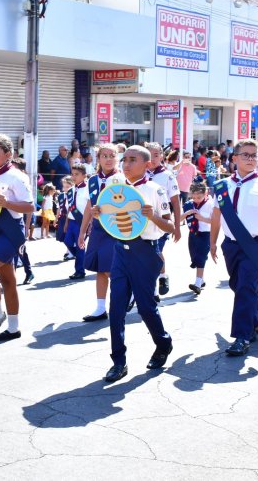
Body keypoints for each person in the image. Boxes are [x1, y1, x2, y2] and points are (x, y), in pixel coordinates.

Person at [92, 145, 175, 383]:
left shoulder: (155, 190)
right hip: (120, 250)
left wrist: (152, 216)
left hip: (146, 252)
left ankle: (163, 343)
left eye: (133, 160)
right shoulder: (114, 186)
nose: (126, 164)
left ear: (147, 165)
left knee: (146, 306)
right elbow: (109, 216)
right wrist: (99, 212)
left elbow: (169, 227)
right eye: (124, 159)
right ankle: (119, 361)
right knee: (116, 308)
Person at [209, 139, 258, 356]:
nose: (250, 158)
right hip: (231, 246)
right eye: (245, 154)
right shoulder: (222, 185)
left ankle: (241, 337)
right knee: (239, 286)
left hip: (255, 245)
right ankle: (253, 322)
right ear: (234, 158)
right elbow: (217, 215)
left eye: (254, 155)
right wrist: (213, 243)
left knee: (245, 288)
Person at [0, 134, 34, 342]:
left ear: (8, 154)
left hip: (10, 231)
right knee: (8, 281)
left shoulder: (16, 176)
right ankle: (13, 328)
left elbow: (30, 206)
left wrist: (6, 204)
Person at [77, 143, 127, 322]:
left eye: (112, 155)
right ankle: (100, 308)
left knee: (110, 269)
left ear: (117, 158)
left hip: (115, 228)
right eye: (104, 156)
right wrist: (82, 232)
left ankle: (126, 296)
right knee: (99, 269)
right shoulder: (92, 180)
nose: (108, 159)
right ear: (98, 159)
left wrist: (109, 210)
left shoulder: (122, 179)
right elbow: (90, 207)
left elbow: (127, 206)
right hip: (98, 229)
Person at [146, 143, 181, 297]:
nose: (152, 159)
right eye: (149, 155)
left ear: (162, 156)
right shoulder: (141, 173)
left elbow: (175, 202)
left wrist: (177, 227)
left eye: (155, 155)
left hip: (162, 222)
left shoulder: (167, 175)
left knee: (155, 251)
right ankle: (158, 279)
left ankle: (159, 281)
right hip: (143, 221)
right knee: (148, 254)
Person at [180, 181, 214, 295]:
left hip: (205, 234)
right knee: (194, 257)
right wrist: (186, 213)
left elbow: (216, 222)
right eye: (193, 197)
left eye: (199, 197)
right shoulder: (189, 204)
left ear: (206, 193)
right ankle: (202, 280)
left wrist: (201, 218)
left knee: (201, 257)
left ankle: (197, 283)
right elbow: (178, 220)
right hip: (193, 234)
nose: (196, 199)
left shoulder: (211, 204)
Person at [63, 165, 89, 280]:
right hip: (72, 222)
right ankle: (82, 257)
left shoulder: (88, 189)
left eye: (77, 174)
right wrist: (66, 223)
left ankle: (80, 270)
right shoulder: (71, 190)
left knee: (80, 247)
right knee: (67, 241)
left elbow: (91, 208)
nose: (73, 177)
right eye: (72, 174)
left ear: (84, 176)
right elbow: (69, 208)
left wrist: (90, 224)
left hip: (82, 221)